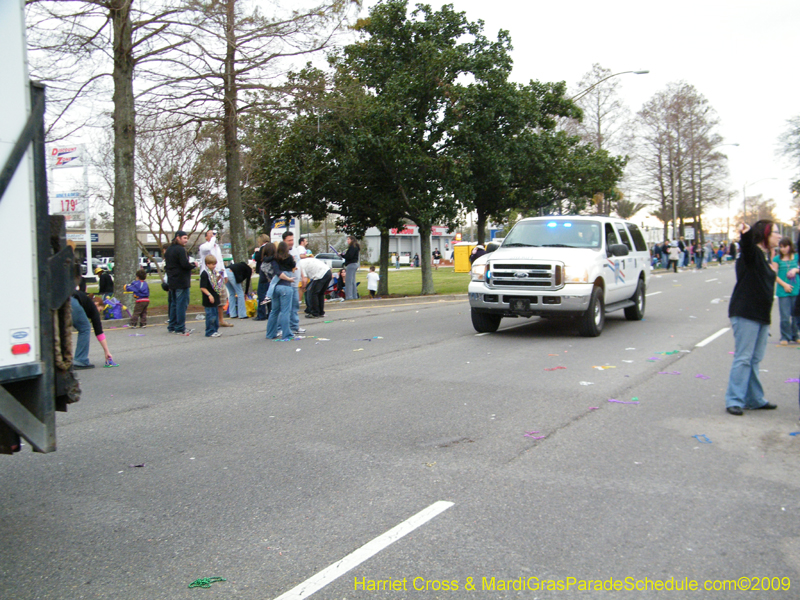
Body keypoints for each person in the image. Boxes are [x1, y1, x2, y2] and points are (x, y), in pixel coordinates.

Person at [724, 220, 782, 416]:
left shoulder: (764, 258)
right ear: (765, 234)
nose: (779, 236)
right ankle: (734, 400)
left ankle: (754, 399)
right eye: (775, 232)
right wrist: (746, 234)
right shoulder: (753, 254)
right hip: (746, 313)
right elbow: (747, 248)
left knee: (754, 359)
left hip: (761, 315)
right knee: (743, 358)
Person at [71, 265, 114, 369]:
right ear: (97, 305)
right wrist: (107, 351)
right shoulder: (92, 307)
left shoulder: (86, 301)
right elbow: (98, 331)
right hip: (72, 302)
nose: (99, 312)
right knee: (85, 328)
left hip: (65, 298)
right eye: (100, 309)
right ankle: (80, 360)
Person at [198, 230, 232, 328]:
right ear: (206, 237)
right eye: (211, 234)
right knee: (212, 299)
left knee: (221, 299)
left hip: (218, 274)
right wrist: (212, 238)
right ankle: (213, 321)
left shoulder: (217, 247)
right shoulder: (204, 247)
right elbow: (208, 247)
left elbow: (220, 261)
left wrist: (224, 274)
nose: (213, 235)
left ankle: (221, 320)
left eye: (214, 234)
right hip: (209, 275)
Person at [165, 230, 194, 335]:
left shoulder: (169, 249)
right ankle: (180, 327)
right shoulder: (180, 250)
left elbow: (168, 265)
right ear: (178, 237)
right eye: (184, 238)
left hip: (172, 281)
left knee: (173, 304)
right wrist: (193, 265)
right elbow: (184, 264)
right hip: (181, 281)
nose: (186, 240)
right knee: (181, 305)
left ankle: (171, 326)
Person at [266, 241, 296, 340]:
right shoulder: (290, 258)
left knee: (274, 311)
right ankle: (286, 333)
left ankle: (270, 333)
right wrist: (289, 278)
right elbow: (293, 267)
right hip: (286, 287)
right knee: (285, 311)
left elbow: (275, 270)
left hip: (275, 287)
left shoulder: (274, 259)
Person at [773, 237, 800, 345]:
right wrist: (784, 285)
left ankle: (795, 335)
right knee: (785, 315)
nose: (783, 249)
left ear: (790, 246)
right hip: (783, 290)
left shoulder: (796, 257)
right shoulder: (777, 259)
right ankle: (784, 336)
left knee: (796, 315)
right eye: (781, 247)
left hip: (796, 289)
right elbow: (773, 275)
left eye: (785, 247)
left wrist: (795, 270)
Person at [283, 231, 306, 335]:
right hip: (287, 282)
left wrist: (303, 276)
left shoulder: (296, 250)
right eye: (289, 240)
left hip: (295, 282)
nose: (291, 242)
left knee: (295, 305)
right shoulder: (282, 252)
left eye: (292, 240)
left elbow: (299, 264)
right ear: (284, 241)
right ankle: (281, 328)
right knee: (285, 307)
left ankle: (295, 326)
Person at [200, 255, 223, 337]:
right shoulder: (205, 274)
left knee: (215, 314)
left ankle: (215, 330)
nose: (214, 266)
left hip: (214, 296)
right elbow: (203, 287)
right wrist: (209, 295)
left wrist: (218, 278)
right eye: (212, 264)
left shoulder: (213, 273)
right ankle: (209, 331)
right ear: (207, 264)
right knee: (210, 315)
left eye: (215, 264)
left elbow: (213, 284)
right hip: (208, 298)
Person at [253, 235, 270, 321]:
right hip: (270, 274)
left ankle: (261, 314)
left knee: (261, 294)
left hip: (263, 274)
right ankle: (270, 312)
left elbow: (257, 258)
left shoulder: (262, 249)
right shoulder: (271, 247)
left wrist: (256, 251)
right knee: (269, 294)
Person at [340, 235, 360, 300]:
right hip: (354, 264)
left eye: (348, 239)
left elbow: (349, 256)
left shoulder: (352, 247)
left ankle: (349, 296)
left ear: (352, 240)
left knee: (348, 281)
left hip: (351, 265)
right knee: (353, 281)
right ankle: (354, 296)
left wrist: (342, 255)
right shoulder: (355, 247)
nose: (347, 241)